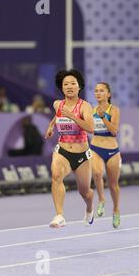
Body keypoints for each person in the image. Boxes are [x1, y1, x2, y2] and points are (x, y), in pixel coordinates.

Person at [44, 69, 95, 228]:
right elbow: (57, 115)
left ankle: (89, 207)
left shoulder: (85, 106)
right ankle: (59, 215)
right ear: (62, 87)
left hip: (81, 156)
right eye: (66, 84)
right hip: (63, 151)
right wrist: (51, 126)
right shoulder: (58, 104)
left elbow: (90, 128)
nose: (69, 86)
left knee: (85, 192)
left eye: (73, 83)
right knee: (56, 176)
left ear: (79, 87)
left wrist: (72, 116)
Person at [90, 82, 122, 228]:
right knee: (96, 173)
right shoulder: (92, 110)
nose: (98, 93)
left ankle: (116, 210)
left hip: (112, 150)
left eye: (101, 91)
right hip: (95, 147)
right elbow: (88, 128)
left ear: (108, 94)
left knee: (113, 184)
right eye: (96, 91)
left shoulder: (114, 110)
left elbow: (114, 131)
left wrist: (103, 117)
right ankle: (101, 199)